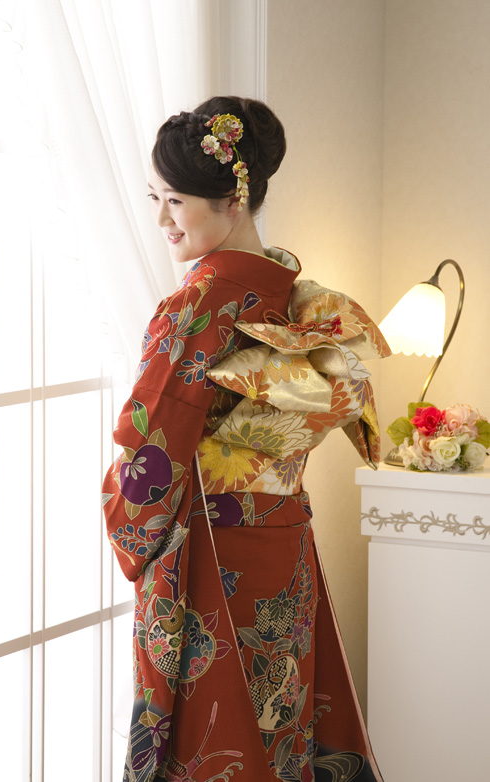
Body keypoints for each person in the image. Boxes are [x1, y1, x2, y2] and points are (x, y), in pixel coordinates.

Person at [103, 96, 390, 782]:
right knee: (280, 724)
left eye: (176, 201)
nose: (161, 220)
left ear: (233, 199)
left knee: (215, 737)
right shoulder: (288, 291)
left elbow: (153, 446)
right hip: (284, 539)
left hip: (214, 551)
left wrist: (127, 518)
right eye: (155, 198)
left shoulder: (197, 305)